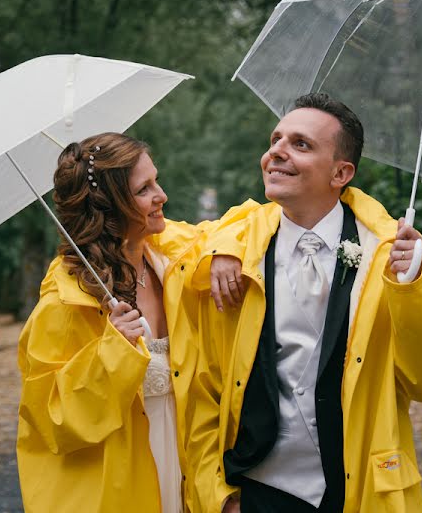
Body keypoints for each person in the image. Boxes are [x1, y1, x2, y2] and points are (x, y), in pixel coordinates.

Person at [188, 93, 422, 513]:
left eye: (300, 144)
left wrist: (413, 288)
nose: (276, 152)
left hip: (356, 490)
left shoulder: (393, 254)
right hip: (253, 489)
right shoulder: (232, 252)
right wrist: (217, 498)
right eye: (276, 139)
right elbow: (202, 388)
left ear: (341, 172)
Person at [16, 132, 255, 513]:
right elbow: (52, 421)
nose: (161, 195)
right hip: (114, 487)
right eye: (144, 189)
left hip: (184, 469)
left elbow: (250, 218)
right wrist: (114, 350)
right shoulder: (65, 302)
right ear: (110, 207)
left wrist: (224, 250)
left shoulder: (171, 253)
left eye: (155, 181)